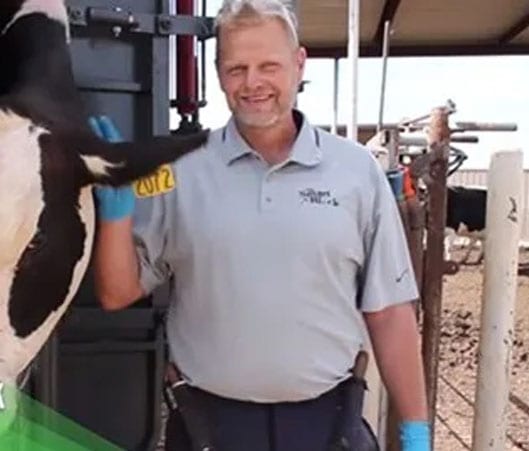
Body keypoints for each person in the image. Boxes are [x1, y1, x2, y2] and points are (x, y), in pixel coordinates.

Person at [91, 1, 430, 450]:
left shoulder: (355, 172)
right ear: (217, 73)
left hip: (327, 427)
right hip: (210, 427)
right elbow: (117, 293)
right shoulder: (182, 170)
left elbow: (388, 314)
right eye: (236, 68)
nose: (253, 83)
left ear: (298, 63)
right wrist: (115, 216)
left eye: (269, 65)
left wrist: (415, 431)